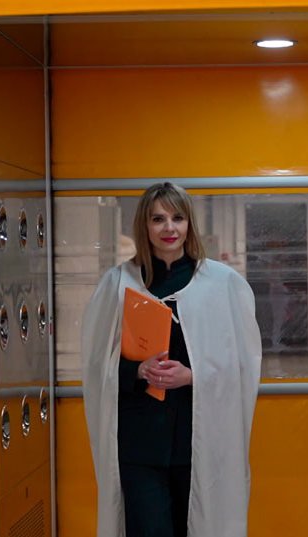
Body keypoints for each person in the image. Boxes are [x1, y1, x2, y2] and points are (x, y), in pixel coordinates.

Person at [81, 182, 262, 537]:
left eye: (178, 218)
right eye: (158, 219)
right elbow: (96, 365)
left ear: (189, 224)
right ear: (144, 226)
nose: (169, 228)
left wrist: (193, 376)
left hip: (198, 443)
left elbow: (243, 364)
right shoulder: (118, 284)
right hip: (139, 444)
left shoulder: (220, 284)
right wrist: (137, 370)